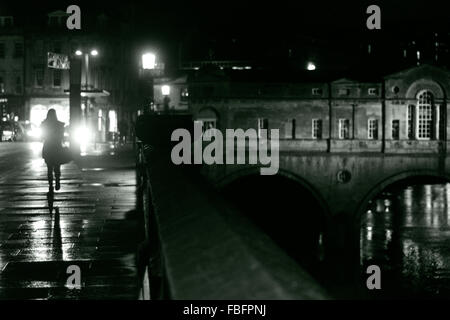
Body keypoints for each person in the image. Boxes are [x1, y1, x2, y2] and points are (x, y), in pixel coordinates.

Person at [40, 109, 65, 192]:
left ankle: (50, 184)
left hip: (48, 147)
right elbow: (62, 137)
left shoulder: (44, 124)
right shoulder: (59, 125)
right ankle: (57, 180)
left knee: (49, 167)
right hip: (57, 147)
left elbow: (42, 136)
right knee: (57, 166)